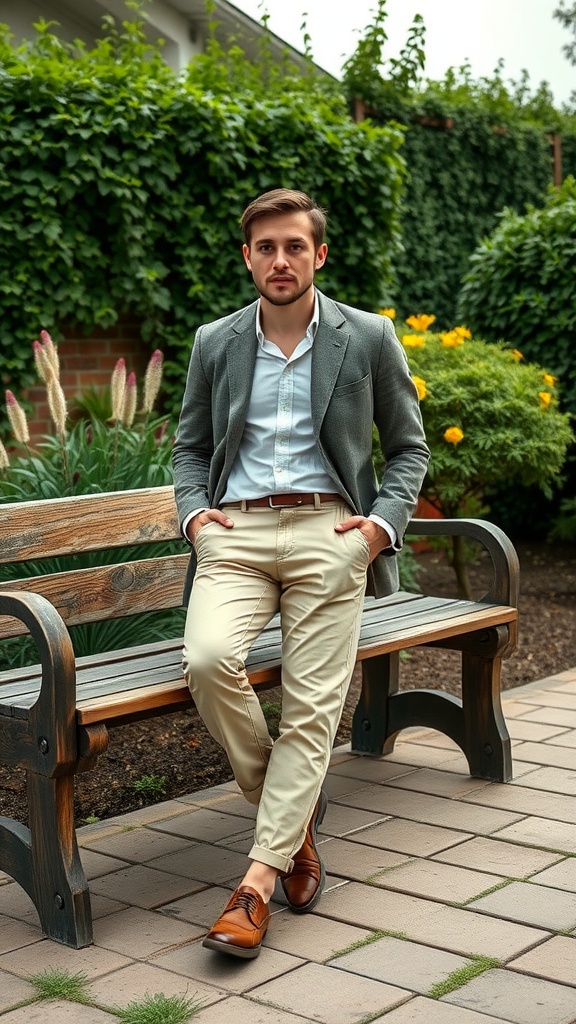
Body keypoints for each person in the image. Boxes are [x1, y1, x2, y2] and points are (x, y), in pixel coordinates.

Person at [172, 187, 429, 959]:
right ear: (247, 257)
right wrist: (194, 516)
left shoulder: (370, 336)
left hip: (330, 531)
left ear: (319, 253)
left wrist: (377, 530)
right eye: (264, 248)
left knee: (313, 708)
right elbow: (189, 447)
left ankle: (253, 885)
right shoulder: (215, 341)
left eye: (293, 246)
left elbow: (408, 448)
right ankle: (295, 826)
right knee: (209, 661)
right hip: (237, 535)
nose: (279, 261)